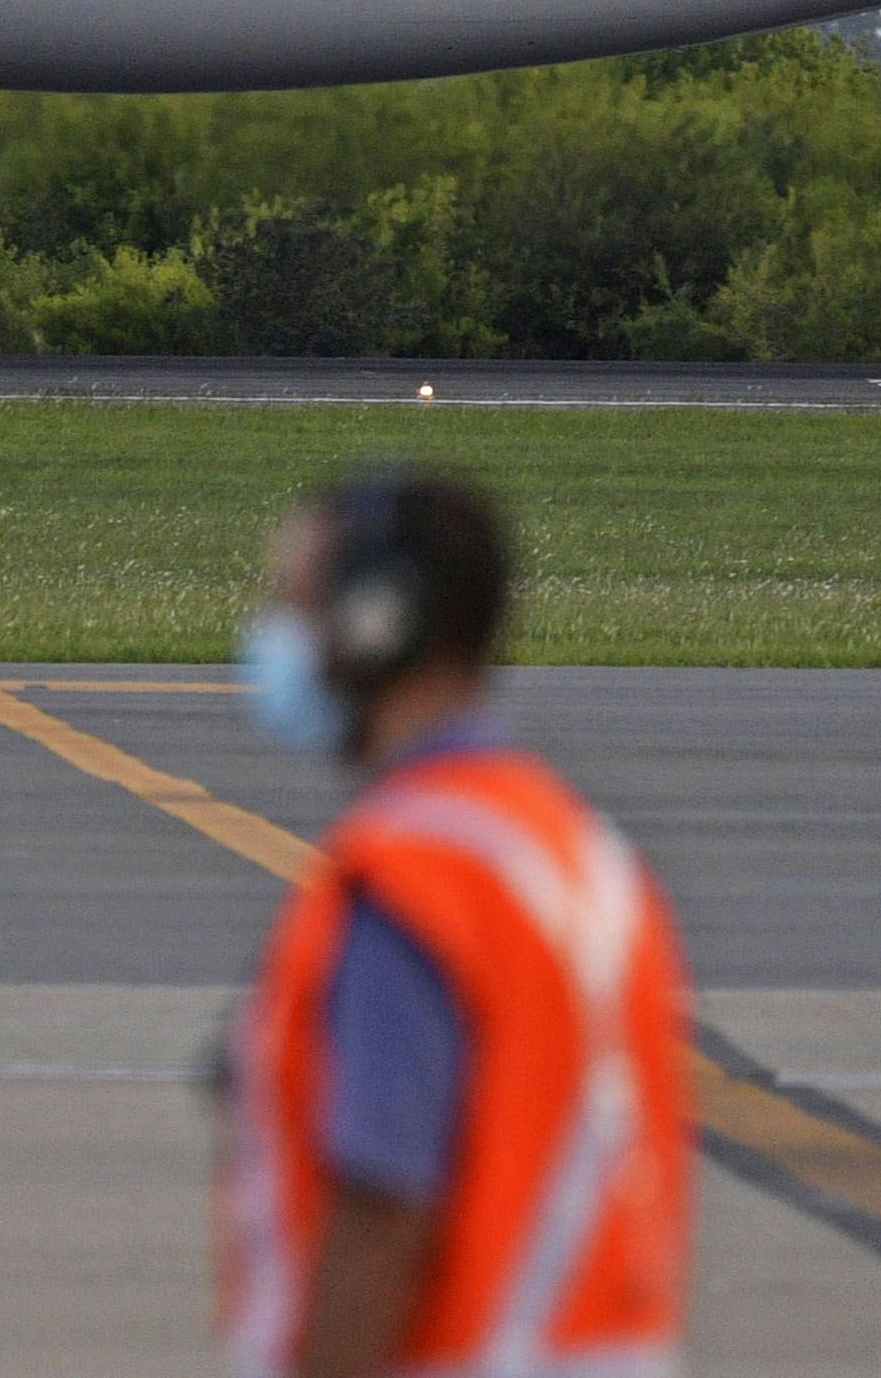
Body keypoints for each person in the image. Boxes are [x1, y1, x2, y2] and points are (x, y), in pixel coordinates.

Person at [214, 473, 693, 1378]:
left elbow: (382, 1214)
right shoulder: (574, 849)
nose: (277, 640)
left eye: (299, 607)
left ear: (374, 620)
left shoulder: (416, 878)